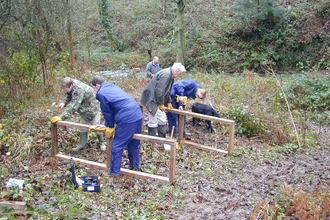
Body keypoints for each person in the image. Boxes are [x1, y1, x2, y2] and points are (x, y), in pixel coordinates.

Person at [90, 75, 143, 176]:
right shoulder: (110, 86)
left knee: (116, 146)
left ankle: (114, 172)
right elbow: (115, 104)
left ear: (97, 85)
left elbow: (107, 112)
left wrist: (109, 126)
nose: (94, 90)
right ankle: (134, 166)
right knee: (133, 143)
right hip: (137, 114)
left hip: (127, 118)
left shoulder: (101, 93)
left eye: (93, 88)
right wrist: (106, 124)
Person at [51, 77, 106, 151]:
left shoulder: (79, 90)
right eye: (63, 89)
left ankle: (102, 143)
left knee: (96, 126)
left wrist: (62, 117)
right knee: (83, 126)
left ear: (70, 86)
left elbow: (74, 106)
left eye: (65, 89)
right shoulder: (69, 84)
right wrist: (63, 102)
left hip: (94, 108)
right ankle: (83, 144)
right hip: (84, 109)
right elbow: (68, 95)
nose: (64, 90)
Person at [140, 62, 186, 137]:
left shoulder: (170, 75)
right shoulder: (166, 75)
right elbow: (159, 91)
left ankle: (162, 139)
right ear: (177, 71)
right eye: (180, 73)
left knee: (162, 120)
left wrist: (169, 102)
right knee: (153, 121)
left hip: (157, 99)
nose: (180, 75)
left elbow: (167, 90)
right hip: (151, 99)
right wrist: (161, 104)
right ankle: (152, 141)